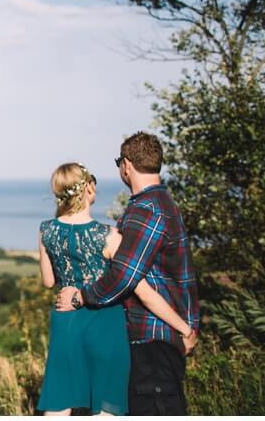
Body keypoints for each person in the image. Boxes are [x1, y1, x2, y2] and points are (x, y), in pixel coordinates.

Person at [56, 133, 200, 416]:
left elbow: (124, 276)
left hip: (150, 340)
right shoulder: (163, 204)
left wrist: (80, 298)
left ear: (126, 165)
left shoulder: (147, 209)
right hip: (163, 336)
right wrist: (187, 327)